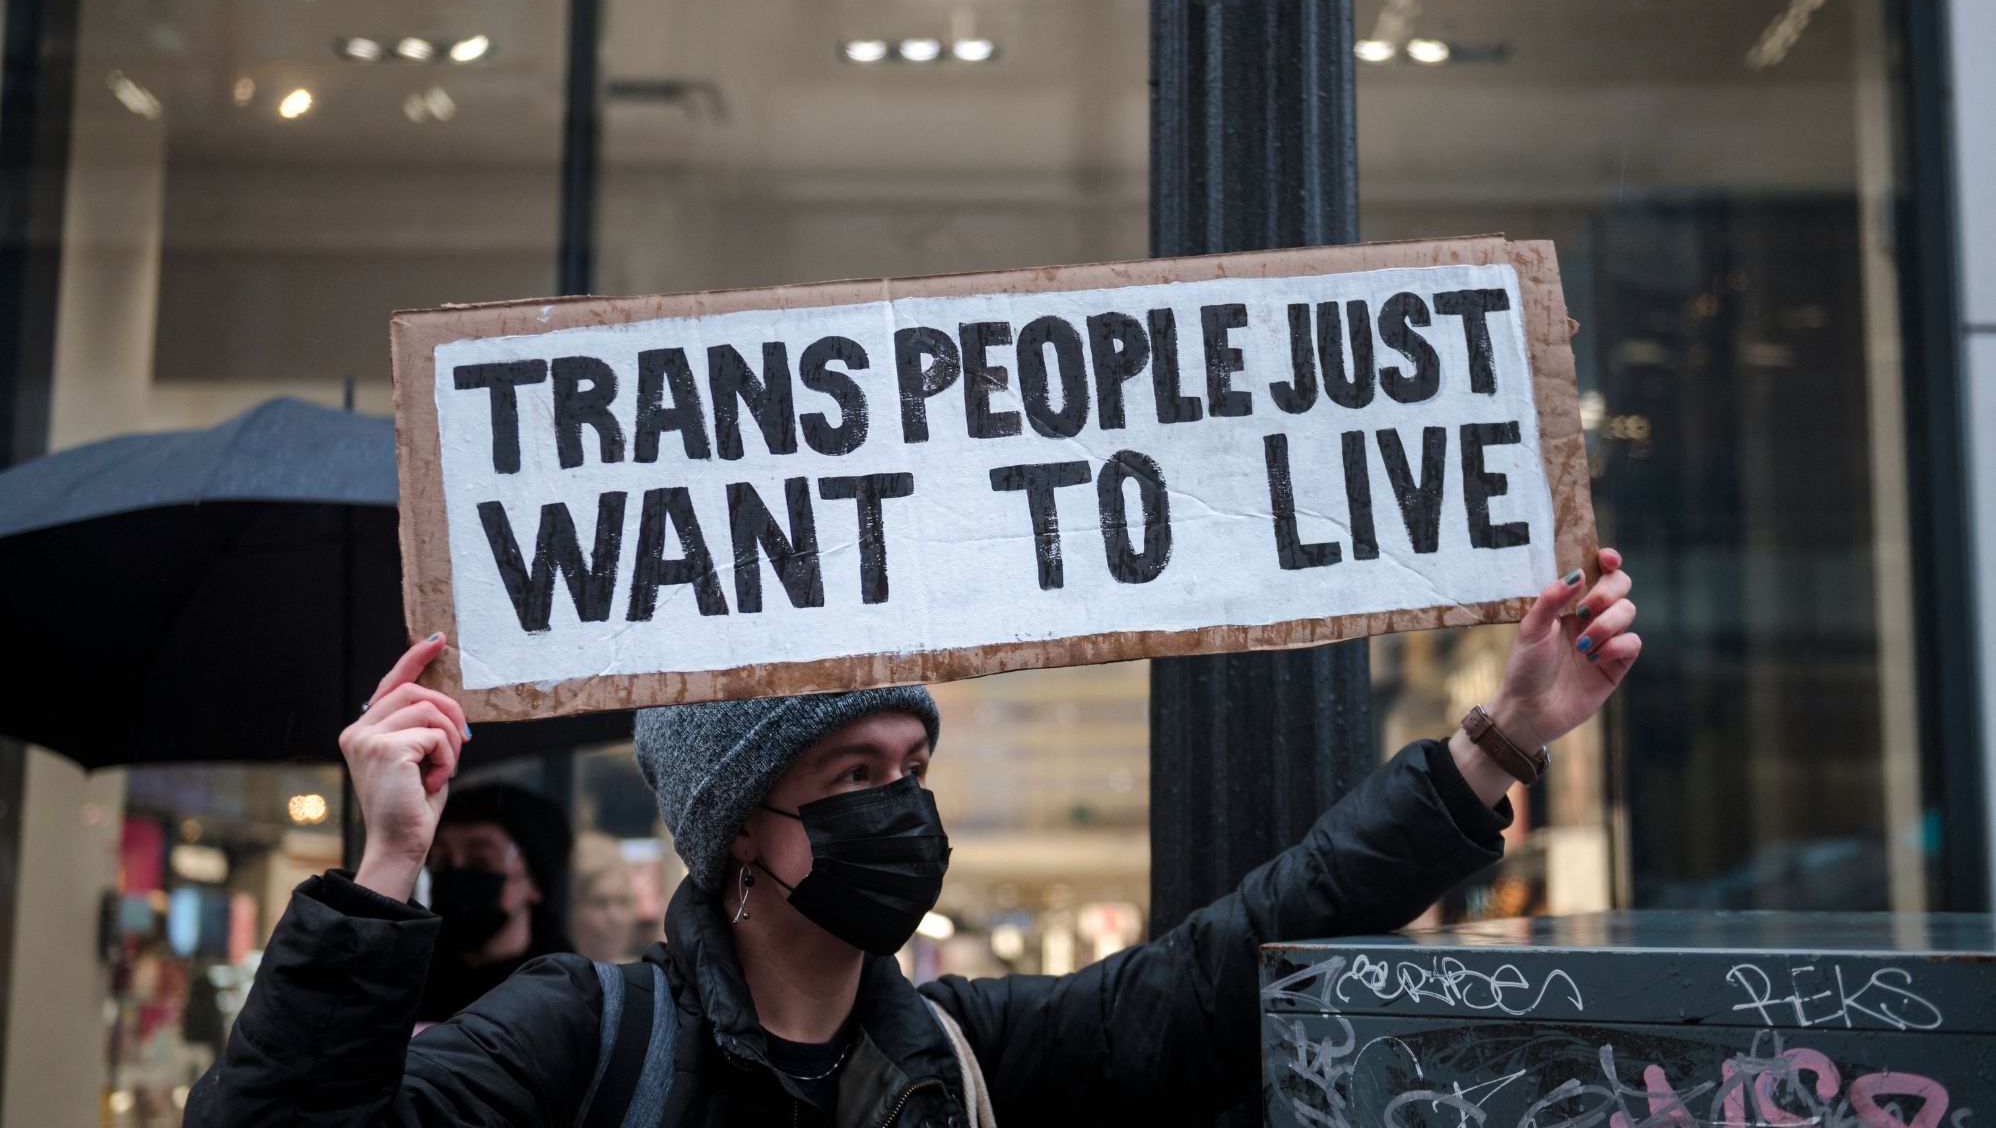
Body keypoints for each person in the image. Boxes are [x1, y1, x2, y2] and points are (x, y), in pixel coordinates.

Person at [189, 551, 1639, 1125]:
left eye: (915, 764)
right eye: (853, 770)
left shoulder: (957, 1057)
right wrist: (383, 870)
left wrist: (1495, 745)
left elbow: (1224, 964)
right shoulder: (585, 1036)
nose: (902, 803)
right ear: (738, 831)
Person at [416, 781, 575, 1023]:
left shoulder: (567, 994)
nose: (456, 874)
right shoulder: (407, 977)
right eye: (442, 861)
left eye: (481, 862)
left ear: (534, 882)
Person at [570, 831, 640, 963]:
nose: (616, 918)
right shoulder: (545, 977)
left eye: (624, 902)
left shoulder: (637, 977)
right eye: (599, 903)